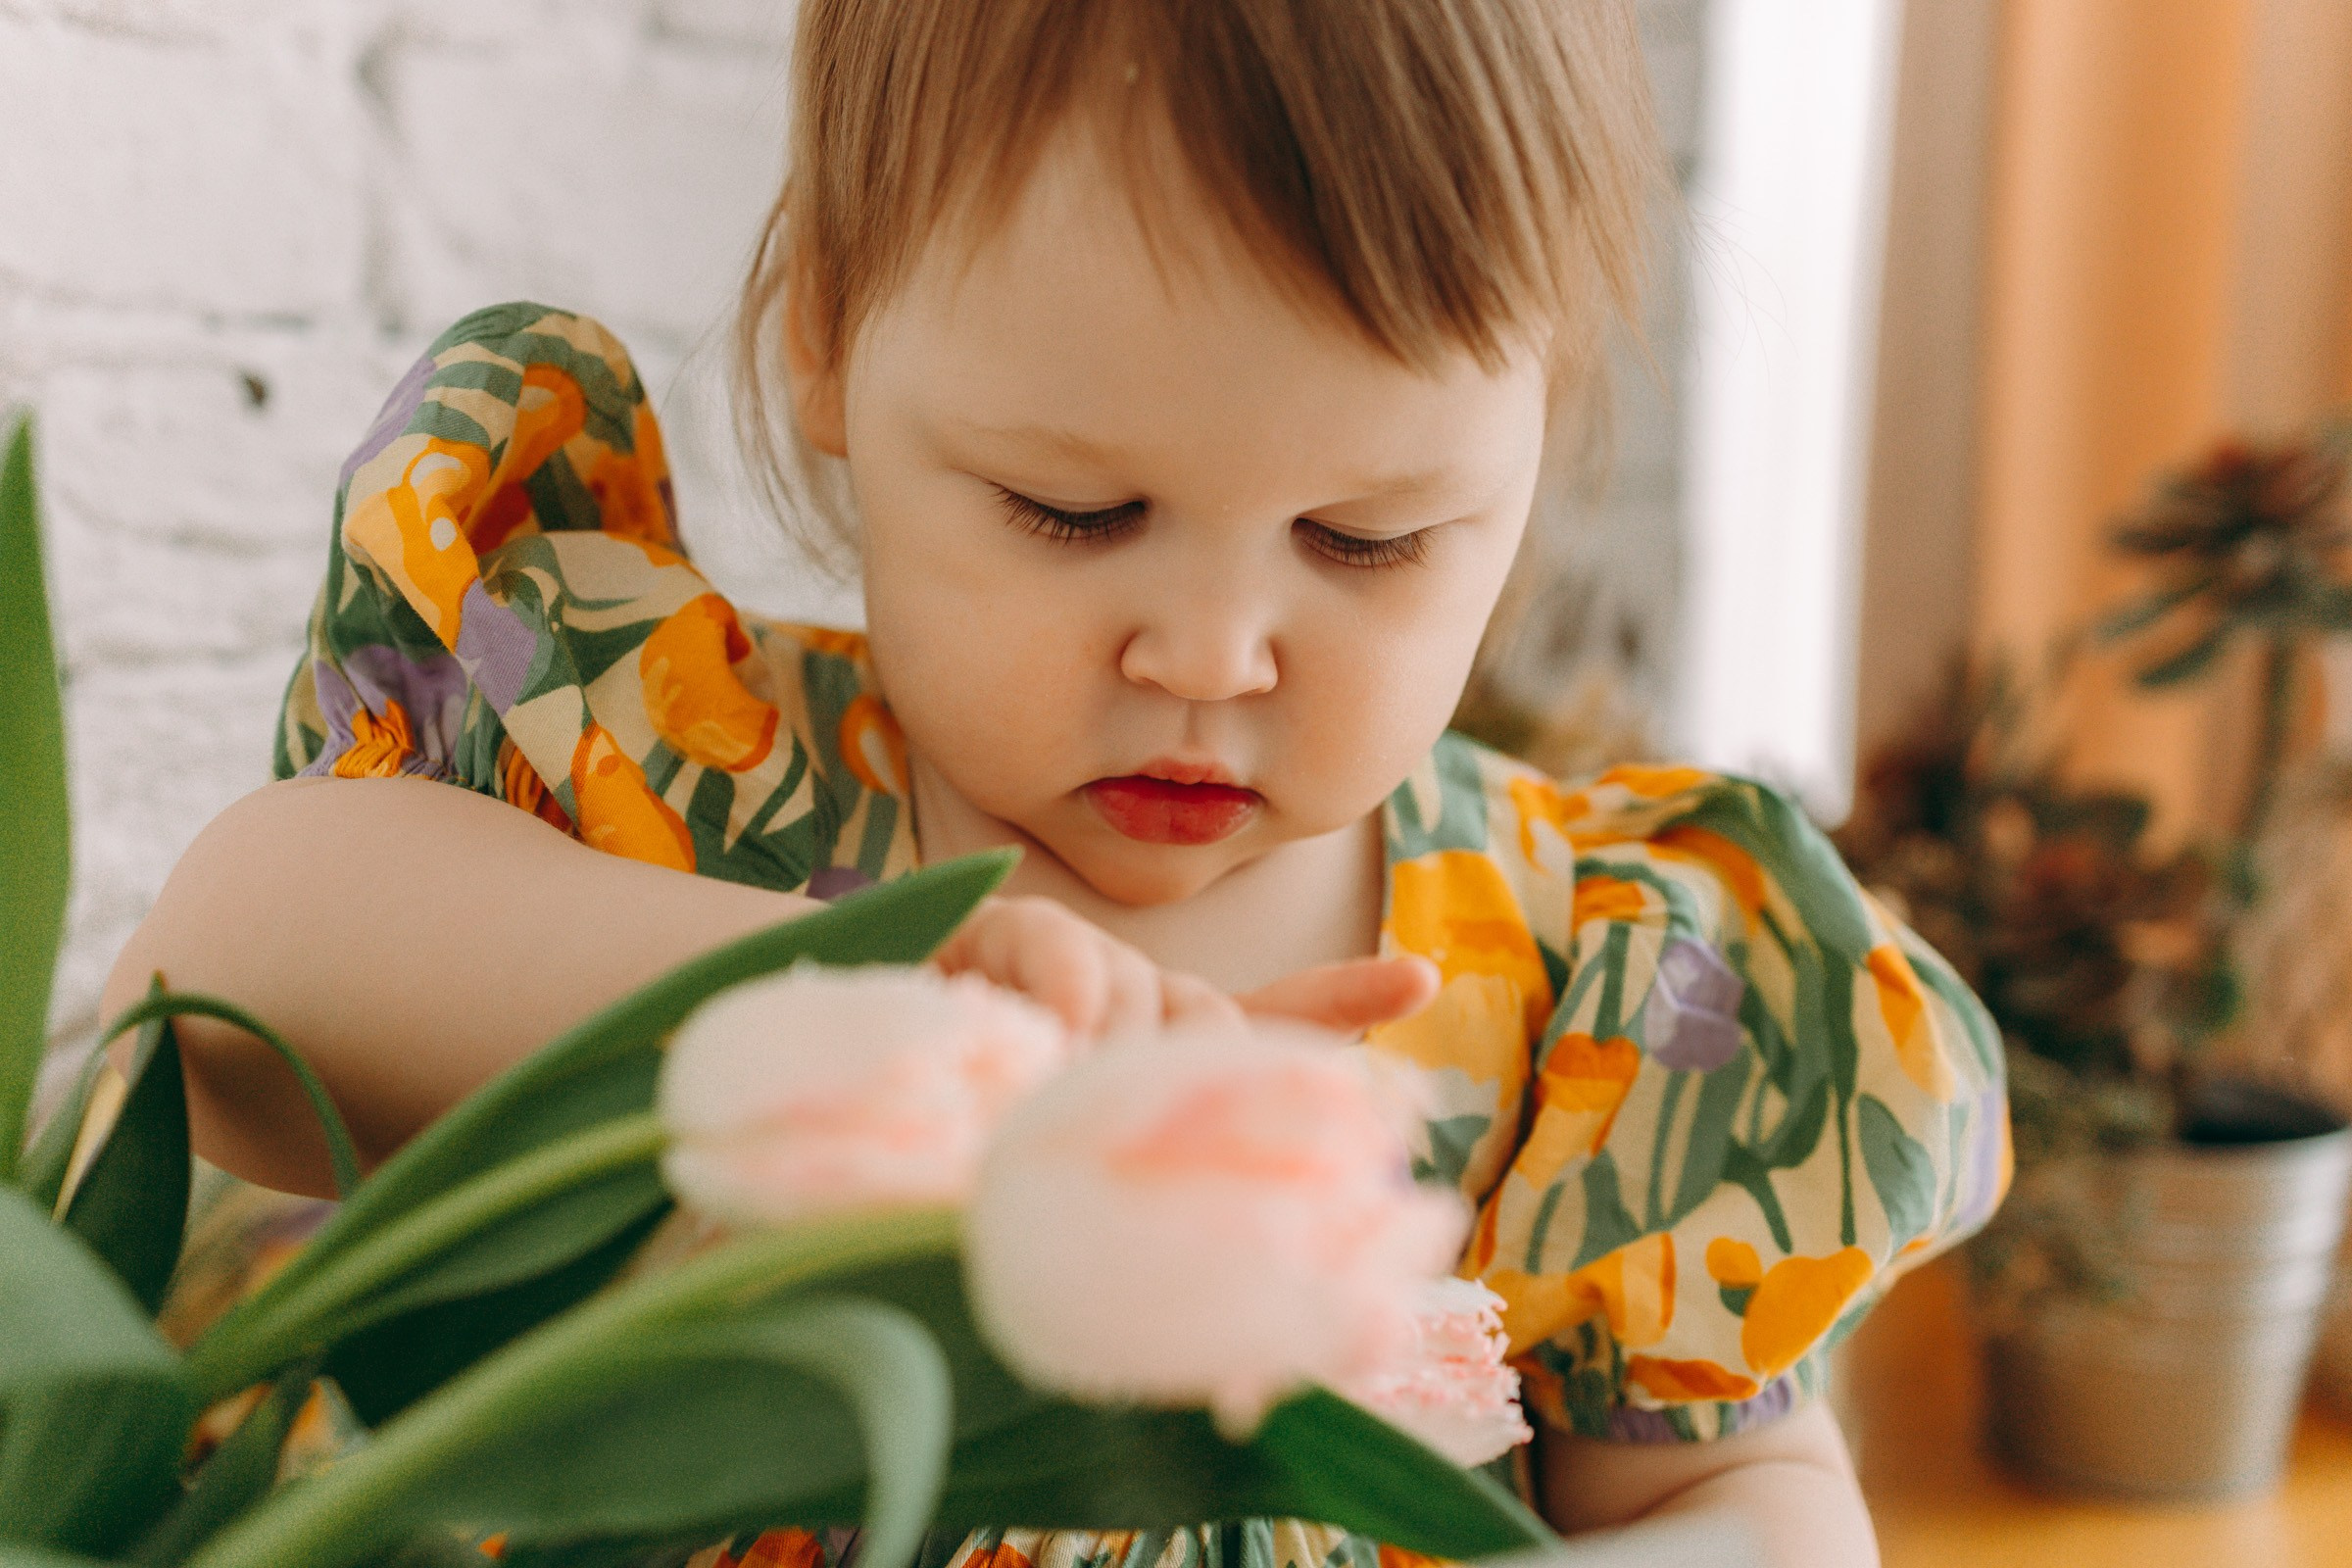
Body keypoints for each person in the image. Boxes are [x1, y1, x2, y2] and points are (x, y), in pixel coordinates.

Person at [106, 3, 2008, 1565]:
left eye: (1366, 536)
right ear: (830, 338)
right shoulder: (663, 774)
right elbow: (218, 993)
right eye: (1072, 510)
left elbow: (1743, 1493)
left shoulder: (1606, 998)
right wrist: (825, 1010)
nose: (1206, 655)